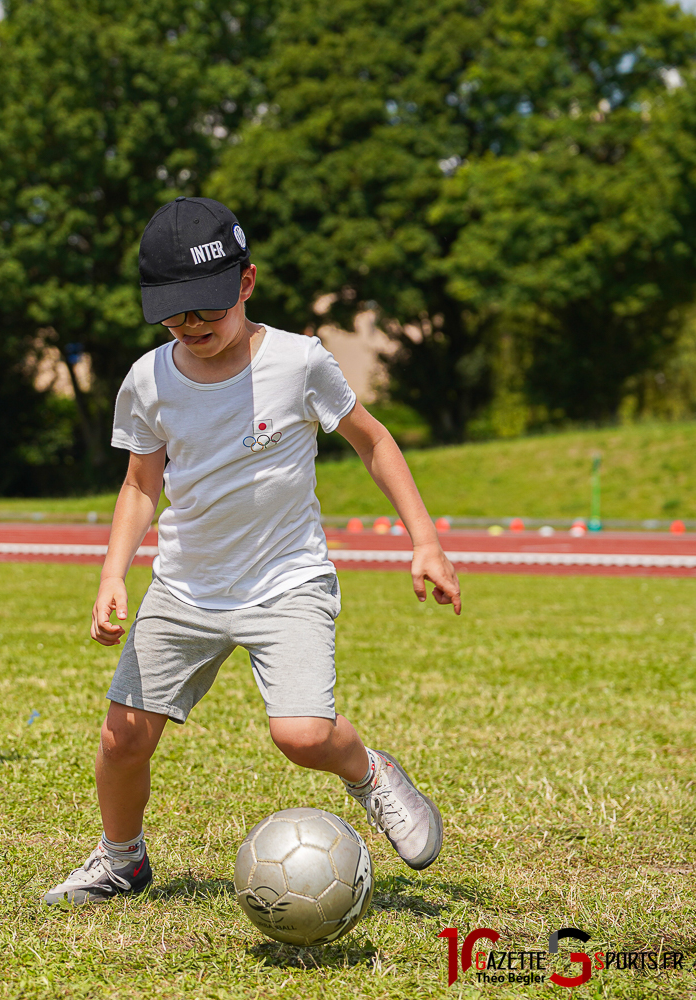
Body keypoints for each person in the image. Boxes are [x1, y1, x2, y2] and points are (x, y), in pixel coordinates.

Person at [42, 197, 461, 905]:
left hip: (286, 582)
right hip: (184, 588)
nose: (192, 324)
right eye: (176, 311)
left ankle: (371, 773)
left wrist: (425, 542)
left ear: (245, 283)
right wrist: (114, 573)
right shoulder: (148, 380)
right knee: (121, 740)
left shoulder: (300, 362)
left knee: (300, 736)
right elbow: (141, 482)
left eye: (206, 306)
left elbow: (374, 441)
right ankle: (123, 860)